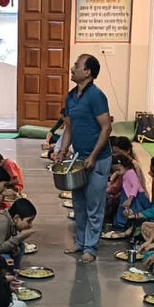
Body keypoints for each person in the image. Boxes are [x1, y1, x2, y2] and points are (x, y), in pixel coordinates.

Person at [54, 54, 113, 264]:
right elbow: (69, 127)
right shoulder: (71, 97)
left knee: (94, 204)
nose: (72, 68)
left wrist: (94, 156)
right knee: (78, 202)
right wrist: (62, 150)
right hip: (78, 157)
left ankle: (91, 247)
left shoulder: (96, 96)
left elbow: (106, 128)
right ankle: (80, 241)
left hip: (98, 158)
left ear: (87, 72)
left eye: (76, 66)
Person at [110, 154, 150, 233]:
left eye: (118, 169)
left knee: (134, 214)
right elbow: (112, 180)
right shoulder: (125, 173)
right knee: (125, 213)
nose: (117, 172)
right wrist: (116, 174)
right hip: (128, 196)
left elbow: (136, 185)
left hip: (135, 197)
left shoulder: (130, 173)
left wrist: (130, 199)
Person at [0, 197, 37, 266]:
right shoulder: (2, 221)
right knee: (5, 257)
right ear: (16, 218)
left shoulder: (10, 221)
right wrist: (19, 237)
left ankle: (15, 270)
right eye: (29, 221)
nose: (30, 225)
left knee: (20, 246)